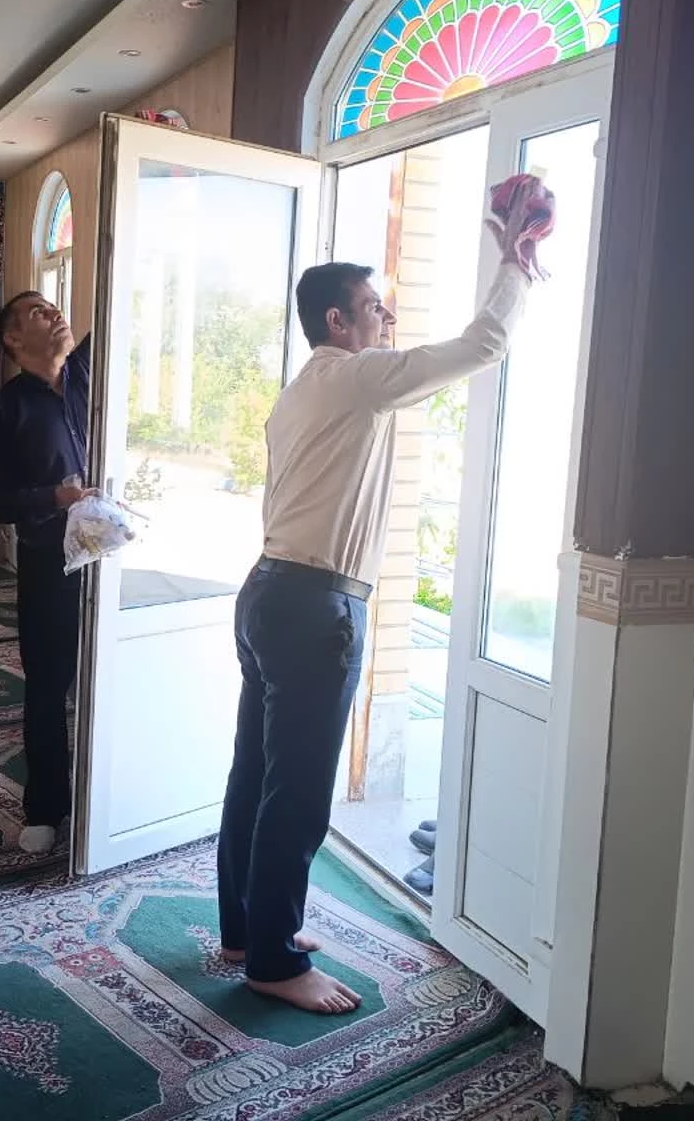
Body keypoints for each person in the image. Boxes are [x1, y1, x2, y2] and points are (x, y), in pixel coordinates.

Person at [217, 181, 550, 1014]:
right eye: (374, 307)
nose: (385, 318)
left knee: (254, 773)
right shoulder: (357, 377)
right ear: (338, 321)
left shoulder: (300, 391)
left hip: (267, 593)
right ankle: (271, 961)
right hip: (312, 609)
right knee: (297, 791)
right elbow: (482, 344)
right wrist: (514, 265)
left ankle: (246, 930)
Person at [0, 291, 95, 854]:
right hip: (50, 563)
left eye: (54, 305)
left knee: (107, 678)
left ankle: (105, 799)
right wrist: (56, 496)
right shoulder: (4, 411)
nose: (55, 312)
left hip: (106, 556)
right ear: (14, 340)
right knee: (48, 686)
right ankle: (46, 808)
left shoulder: (90, 379)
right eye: (38, 312)